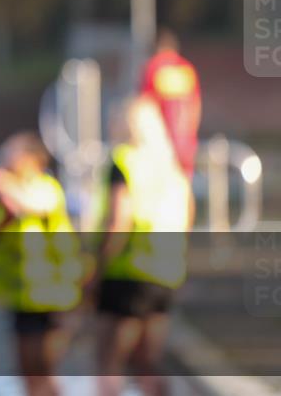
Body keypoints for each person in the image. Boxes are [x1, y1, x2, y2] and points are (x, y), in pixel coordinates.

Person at [92, 97, 192, 396]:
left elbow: (118, 220)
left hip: (127, 272)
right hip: (166, 273)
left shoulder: (123, 160)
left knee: (108, 360)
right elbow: (186, 217)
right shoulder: (172, 167)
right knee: (148, 362)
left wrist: (97, 268)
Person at [0, 132, 81, 396]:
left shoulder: (46, 186)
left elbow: (33, 204)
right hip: (22, 296)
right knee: (27, 369)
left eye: (12, 152)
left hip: (54, 294)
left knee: (44, 369)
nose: (6, 159)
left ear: (32, 158)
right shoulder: (5, 197)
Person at [139, 28, 201, 178]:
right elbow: (196, 107)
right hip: (187, 143)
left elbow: (145, 108)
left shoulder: (154, 68)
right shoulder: (187, 69)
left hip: (161, 145)